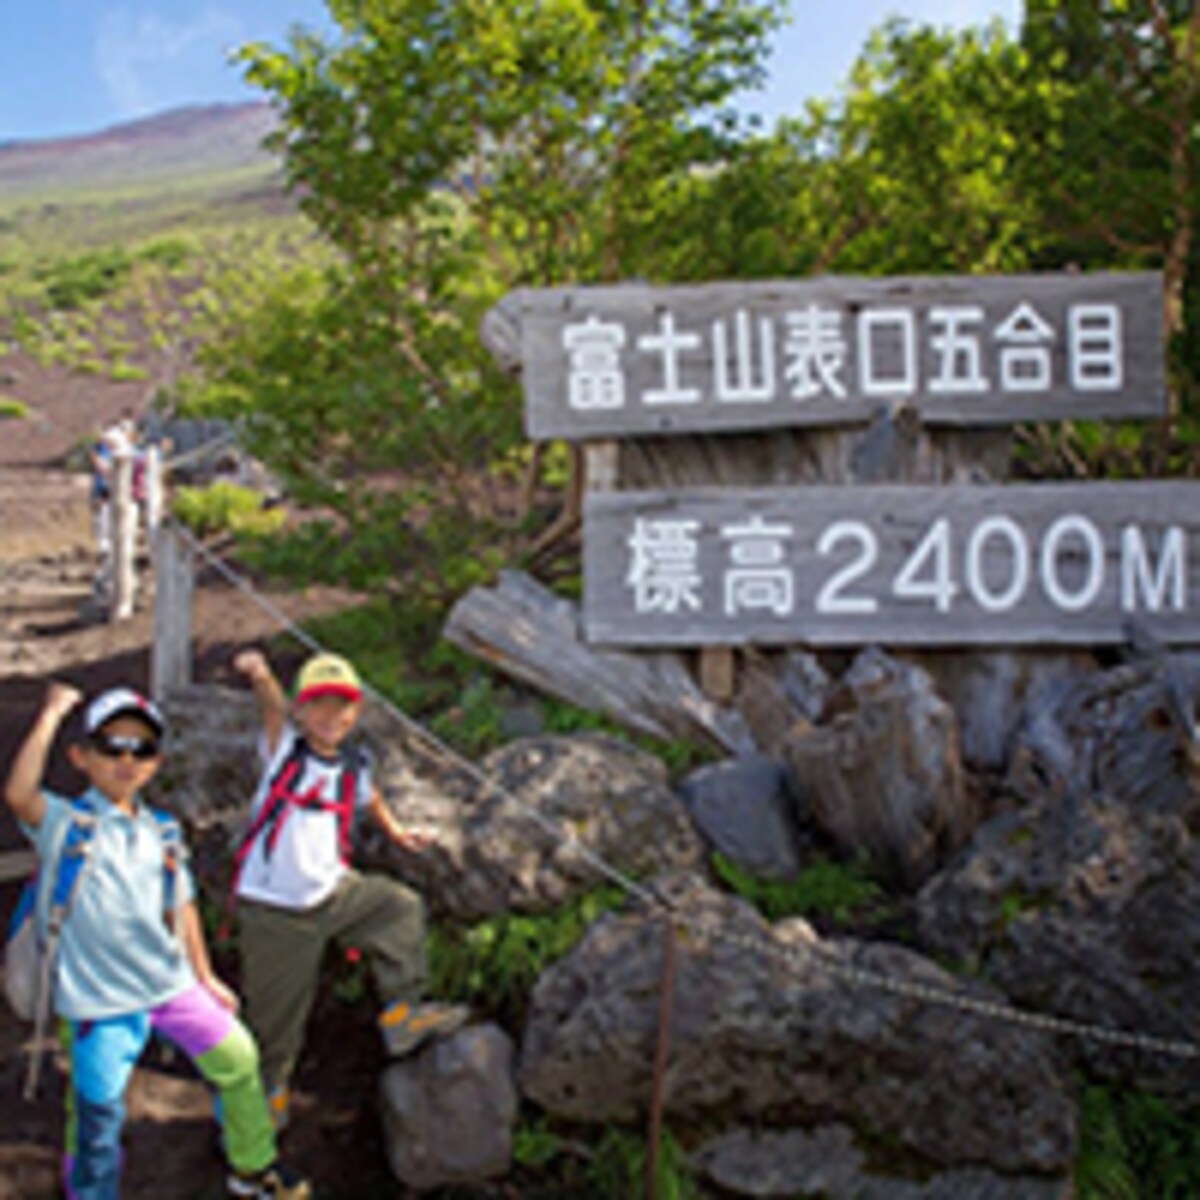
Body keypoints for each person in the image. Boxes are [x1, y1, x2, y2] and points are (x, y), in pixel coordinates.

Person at [3, 683, 310, 1200]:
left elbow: (182, 907)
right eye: (112, 746)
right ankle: (93, 1191)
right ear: (81, 757)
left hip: (170, 986)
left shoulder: (163, 832)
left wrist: (205, 975)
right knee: (98, 1112)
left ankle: (252, 1166)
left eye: (141, 747)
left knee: (237, 1058)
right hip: (97, 1003)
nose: (127, 759)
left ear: (156, 760)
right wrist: (52, 713)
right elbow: (18, 794)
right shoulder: (65, 824)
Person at [230, 649, 469, 1128]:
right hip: (276, 911)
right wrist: (261, 675)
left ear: (355, 713)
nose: (330, 716)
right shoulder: (284, 753)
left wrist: (397, 830)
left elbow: (371, 796)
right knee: (276, 1022)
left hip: (335, 895)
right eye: (318, 704)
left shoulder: (354, 765)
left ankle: (401, 1013)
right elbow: (272, 708)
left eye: (341, 705)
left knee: (398, 908)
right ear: (302, 711)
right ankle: (266, 1101)